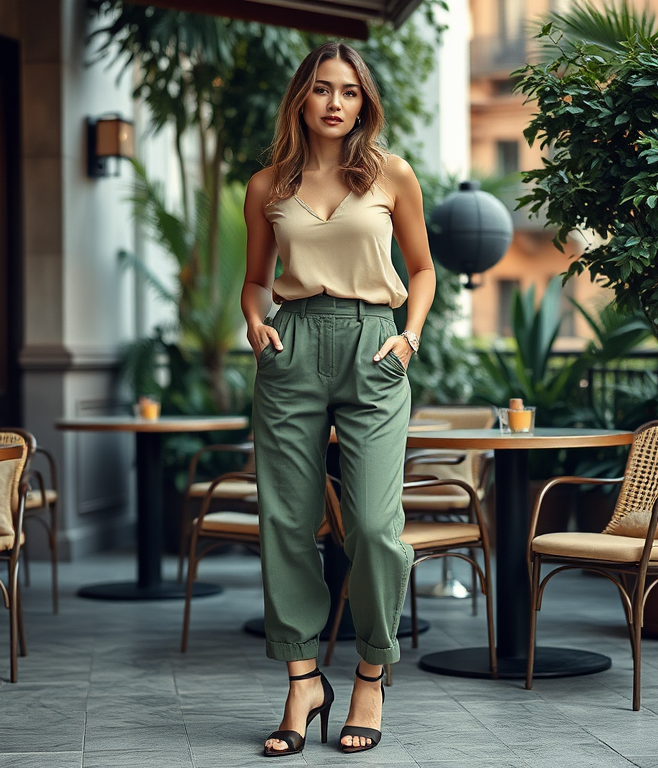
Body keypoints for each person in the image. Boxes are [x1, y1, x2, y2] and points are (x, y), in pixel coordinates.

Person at [241, 41, 435, 756]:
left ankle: (370, 675)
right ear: (302, 97)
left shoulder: (392, 175)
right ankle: (302, 682)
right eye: (322, 89)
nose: (334, 102)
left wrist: (409, 337)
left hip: (373, 345)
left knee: (377, 529)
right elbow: (257, 278)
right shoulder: (267, 187)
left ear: (364, 101)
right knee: (285, 520)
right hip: (292, 348)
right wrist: (256, 323)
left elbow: (421, 267)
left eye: (348, 91)